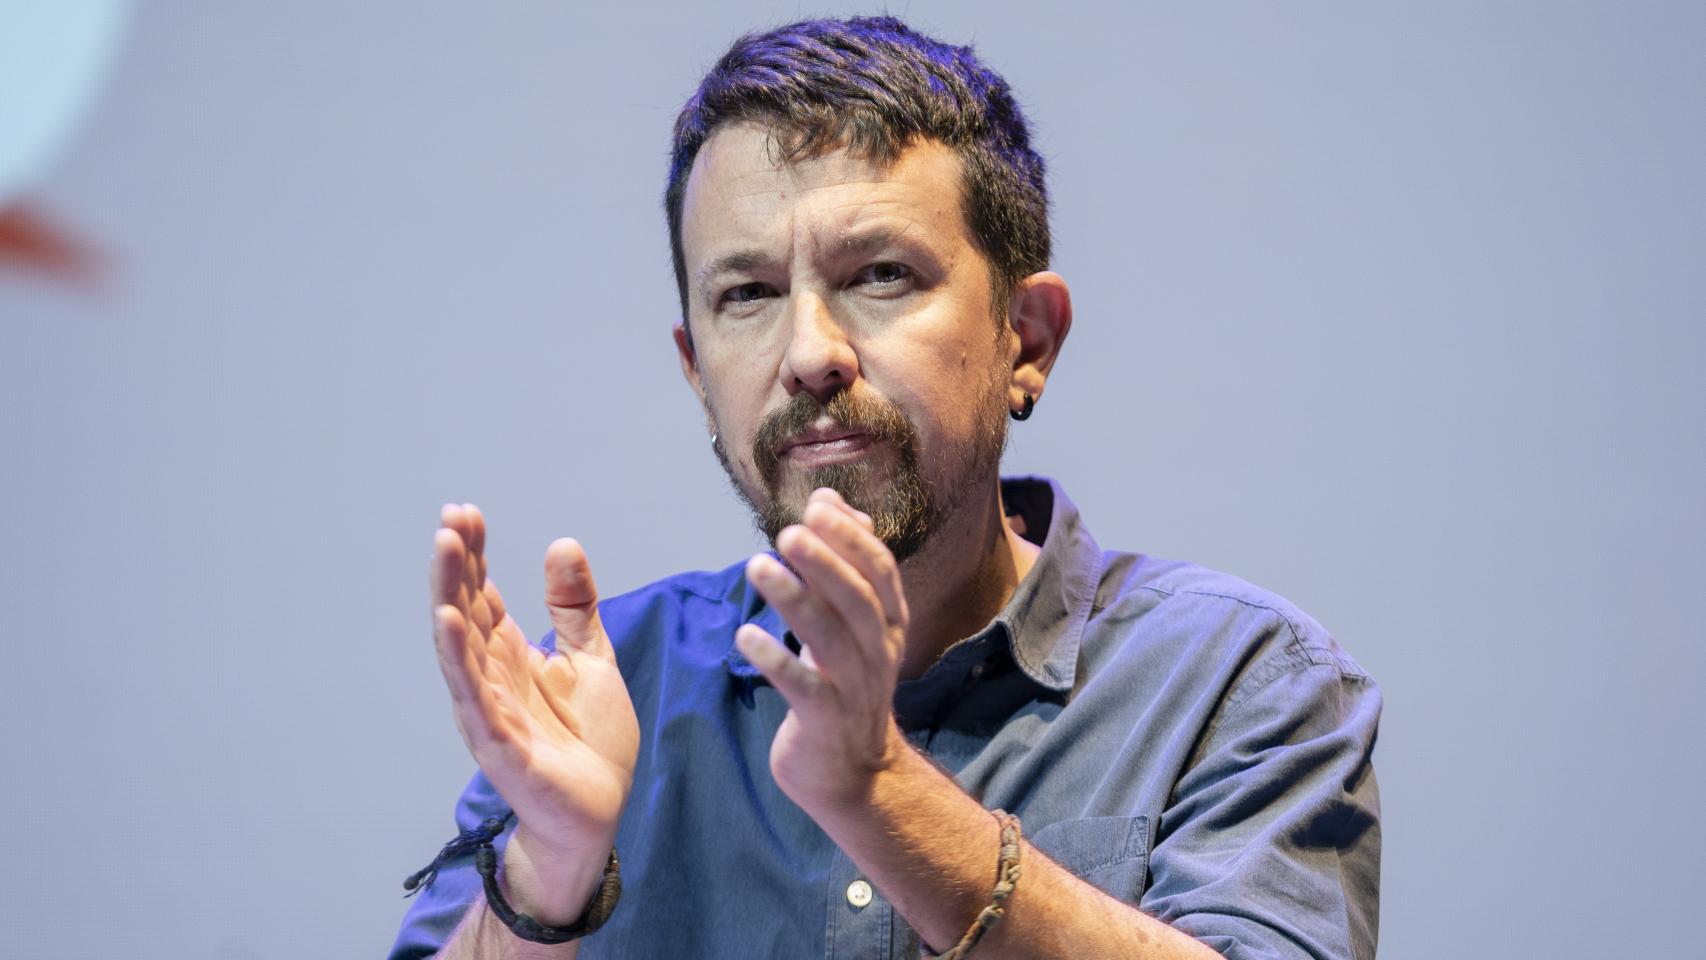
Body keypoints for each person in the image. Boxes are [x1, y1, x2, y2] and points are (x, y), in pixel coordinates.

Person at [390, 16, 1380, 960]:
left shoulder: (1240, 682)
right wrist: (546, 874)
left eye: (880, 276)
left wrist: (883, 794)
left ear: (1026, 339)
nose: (808, 354)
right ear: (697, 373)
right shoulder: (600, 688)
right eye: (747, 295)